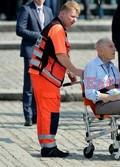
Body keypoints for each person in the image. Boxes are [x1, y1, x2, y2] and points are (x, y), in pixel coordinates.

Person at [29, 0, 83, 157]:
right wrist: (77, 71)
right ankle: (48, 147)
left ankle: (48, 145)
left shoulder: (56, 27)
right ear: (62, 13)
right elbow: (60, 55)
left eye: (77, 17)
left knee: (47, 110)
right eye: (72, 16)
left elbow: (59, 54)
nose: (74, 20)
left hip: (43, 75)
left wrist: (70, 73)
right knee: (49, 111)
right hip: (44, 77)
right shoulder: (57, 29)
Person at [16, 0, 54, 126]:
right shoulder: (26, 9)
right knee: (29, 84)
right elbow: (20, 29)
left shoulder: (48, 10)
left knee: (40, 84)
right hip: (30, 51)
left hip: (44, 52)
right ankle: (28, 115)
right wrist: (39, 35)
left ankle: (36, 114)